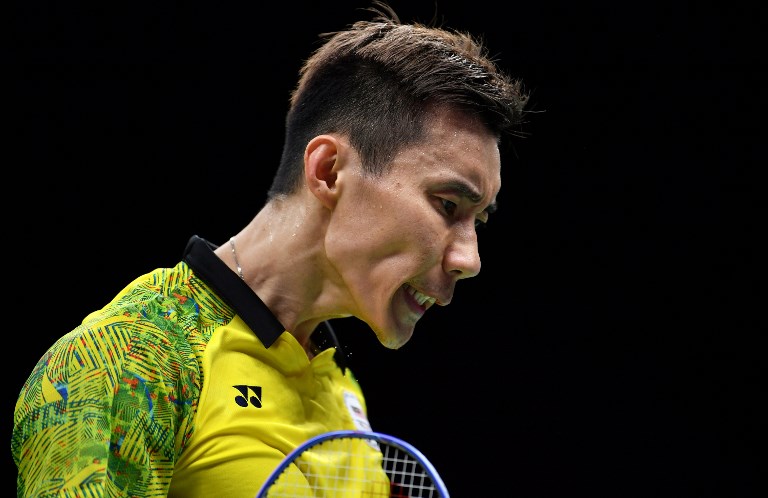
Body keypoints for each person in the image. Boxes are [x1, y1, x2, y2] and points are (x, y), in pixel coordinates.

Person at [12, 1, 529, 496]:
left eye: (479, 219)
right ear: (328, 171)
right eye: (447, 205)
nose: (470, 259)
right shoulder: (130, 361)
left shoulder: (339, 385)